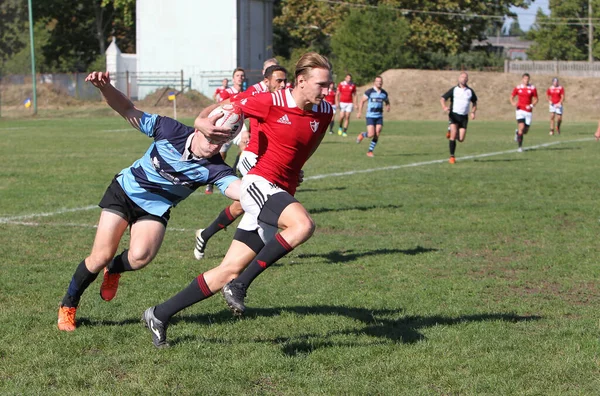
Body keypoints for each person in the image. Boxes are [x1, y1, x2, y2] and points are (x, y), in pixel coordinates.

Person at [141, 52, 334, 348]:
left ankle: (159, 314)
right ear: (302, 81)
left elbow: (308, 147)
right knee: (302, 226)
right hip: (260, 182)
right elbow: (223, 108)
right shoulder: (270, 101)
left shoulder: (324, 112)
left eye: (329, 84)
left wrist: (296, 171)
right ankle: (241, 284)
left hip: (282, 188)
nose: (326, 90)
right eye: (321, 84)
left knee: (227, 269)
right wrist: (201, 122)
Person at [56, 71, 241, 332]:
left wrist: (268, 188)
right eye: (211, 136)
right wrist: (105, 87)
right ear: (200, 127)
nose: (214, 145)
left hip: (156, 207)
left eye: (221, 141)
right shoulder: (168, 129)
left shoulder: (215, 168)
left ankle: (114, 269)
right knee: (99, 256)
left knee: (141, 257)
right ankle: (68, 305)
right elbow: (127, 108)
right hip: (125, 192)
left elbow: (239, 189)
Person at [193, 65, 288, 260]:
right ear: (267, 79)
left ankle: (205, 235)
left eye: (284, 80)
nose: (283, 84)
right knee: (267, 206)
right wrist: (203, 119)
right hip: (252, 157)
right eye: (279, 80)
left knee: (241, 206)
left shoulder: (287, 98)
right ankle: (243, 257)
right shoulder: (255, 92)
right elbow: (228, 103)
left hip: (272, 161)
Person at [205, 67, 246, 195]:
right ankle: (210, 182)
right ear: (233, 79)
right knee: (220, 155)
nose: (240, 77)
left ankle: (235, 168)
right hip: (226, 125)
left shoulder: (247, 92)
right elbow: (220, 107)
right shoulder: (226, 92)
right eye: (238, 75)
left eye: (242, 75)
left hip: (240, 125)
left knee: (245, 147)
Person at [439, 72, 478, 164]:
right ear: (459, 78)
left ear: (467, 79)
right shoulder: (454, 89)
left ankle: (451, 130)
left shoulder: (470, 91)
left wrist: (473, 112)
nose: (464, 79)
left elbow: (475, 103)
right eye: (462, 77)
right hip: (454, 115)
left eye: (465, 77)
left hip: (464, 117)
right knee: (453, 136)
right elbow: (442, 98)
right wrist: (444, 107)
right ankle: (452, 157)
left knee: (461, 139)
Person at [356, 76, 391, 157]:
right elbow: (362, 101)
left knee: (377, 132)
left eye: (380, 81)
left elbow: (387, 101)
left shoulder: (384, 93)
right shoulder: (369, 92)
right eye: (378, 81)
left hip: (379, 116)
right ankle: (363, 135)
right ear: (374, 82)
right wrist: (359, 112)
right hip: (370, 116)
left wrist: (388, 106)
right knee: (371, 134)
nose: (379, 82)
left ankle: (370, 151)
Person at [510, 73, 538, 153]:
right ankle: (520, 147)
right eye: (525, 79)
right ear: (522, 79)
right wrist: (513, 102)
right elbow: (512, 96)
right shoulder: (518, 88)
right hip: (520, 110)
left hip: (528, 111)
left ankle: (517, 132)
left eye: (527, 79)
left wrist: (531, 105)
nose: (526, 80)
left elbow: (536, 99)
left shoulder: (532, 88)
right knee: (521, 128)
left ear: (529, 79)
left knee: (525, 131)